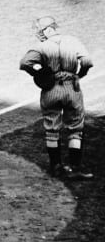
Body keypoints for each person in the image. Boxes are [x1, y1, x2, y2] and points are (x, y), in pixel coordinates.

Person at [19, 16, 94, 179]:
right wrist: (79, 75)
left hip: (50, 89)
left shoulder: (40, 47)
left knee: (51, 128)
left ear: (50, 29)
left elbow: (24, 63)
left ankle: (56, 168)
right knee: (75, 128)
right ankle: (75, 168)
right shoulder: (72, 41)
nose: (39, 34)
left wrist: (38, 73)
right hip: (71, 88)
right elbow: (87, 62)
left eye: (40, 31)